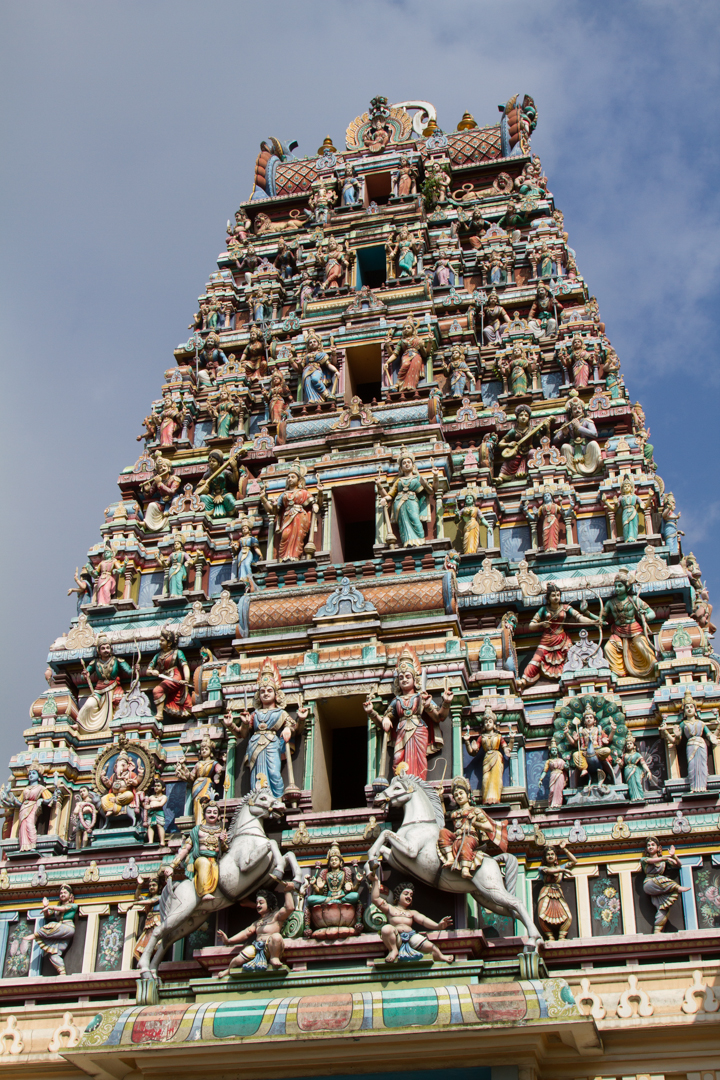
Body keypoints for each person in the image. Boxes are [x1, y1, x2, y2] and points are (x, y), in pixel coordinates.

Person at [363, 645, 451, 781]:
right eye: (401, 677)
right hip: (401, 732)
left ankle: (418, 786)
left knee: (419, 760)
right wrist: (372, 713)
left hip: (419, 731)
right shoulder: (395, 701)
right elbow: (384, 724)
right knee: (397, 761)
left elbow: (439, 717)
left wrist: (445, 703)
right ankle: (401, 786)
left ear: (415, 679)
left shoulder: (422, 697)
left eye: (408, 676)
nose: (404, 679)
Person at [223, 659, 307, 798]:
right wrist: (232, 724)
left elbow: (295, 728)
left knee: (274, 773)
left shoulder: (281, 713)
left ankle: (276, 799)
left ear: (276, 694)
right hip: (255, 745)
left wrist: (301, 720)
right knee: (256, 775)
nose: (266, 693)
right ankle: (257, 798)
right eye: (262, 691)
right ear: (258, 695)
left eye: (269, 690)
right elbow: (242, 734)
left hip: (272, 744)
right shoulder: (254, 714)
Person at [517, 582, 599, 691]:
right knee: (536, 658)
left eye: (558, 595)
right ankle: (524, 680)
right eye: (553, 595)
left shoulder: (565, 608)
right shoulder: (543, 610)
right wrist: (542, 624)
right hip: (547, 640)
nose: (556, 597)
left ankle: (579, 675)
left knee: (573, 656)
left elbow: (579, 617)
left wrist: (594, 622)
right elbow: (531, 625)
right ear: (548, 598)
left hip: (562, 639)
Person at [367, 871, 454, 963]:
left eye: (411, 895)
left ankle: (441, 956)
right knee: (386, 929)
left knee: (431, 947)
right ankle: (393, 950)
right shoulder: (390, 908)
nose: (409, 897)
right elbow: (375, 899)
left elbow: (424, 920)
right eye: (406, 894)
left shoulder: (412, 913)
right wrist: (376, 881)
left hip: (412, 937)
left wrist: (438, 926)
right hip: (396, 938)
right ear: (398, 895)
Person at [217, 885, 296, 975]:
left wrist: (287, 891)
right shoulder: (257, 922)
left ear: (269, 903)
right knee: (237, 960)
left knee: (276, 937)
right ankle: (228, 970)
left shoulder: (276, 916)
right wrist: (228, 940)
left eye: (261, 903)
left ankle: (274, 958)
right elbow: (246, 933)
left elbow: (289, 908)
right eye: (257, 903)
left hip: (270, 948)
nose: (258, 905)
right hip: (257, 948)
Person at [437, 775, 499, 878]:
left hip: (470, 837)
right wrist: (440, 798)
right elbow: (443, 814)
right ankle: (450, 857)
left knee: (465, 841)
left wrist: (474, 823)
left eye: (461, 793)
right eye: (456, 795)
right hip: (456, 838)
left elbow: (489, 827)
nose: (459, 796)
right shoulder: (454, 813)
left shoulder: (475, 810)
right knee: (443, 832)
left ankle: (465, 869)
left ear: (468, 795)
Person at [166, 801, 228, 904]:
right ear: (204, 815)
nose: (212, 814)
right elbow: (186, 848)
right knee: (204, 863)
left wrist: (222, 841)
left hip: (215, 861)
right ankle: (204, 892)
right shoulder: (197, 830)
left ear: (218, 816)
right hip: (200, 859)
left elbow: (225, 849)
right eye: (209, 812)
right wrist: (172, 865)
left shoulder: (221, 831)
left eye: (214, 812)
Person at [602, 572, 656, 680]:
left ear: (627, 587)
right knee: (608, 648)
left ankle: (652, 665)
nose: (617, 588)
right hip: (618, 631)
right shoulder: (610, 603)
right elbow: (600, 619)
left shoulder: (634, 600)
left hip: (634, 630)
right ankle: (616, 671)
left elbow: (652, 613)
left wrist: (644, 616)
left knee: (641, 645)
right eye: (616, 586)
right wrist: (586, 612)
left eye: (620, 586)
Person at [76, 635, 132, 733]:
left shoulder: (117, 660)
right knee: (89, 704)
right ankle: (80, 725)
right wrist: (85, 675)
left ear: (111, 649)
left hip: (114, 688)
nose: (106, 650)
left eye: (107, 648)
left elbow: (129, 672)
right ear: (98, 651)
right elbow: (83, 676)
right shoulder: (95, 663)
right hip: (99, 690)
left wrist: (135, 669)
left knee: (121, 702)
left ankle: (116, 724)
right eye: (103, 648)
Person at [24, 886, 78, 975]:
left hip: (67, 928)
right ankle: (62, 972)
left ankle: (36, 935)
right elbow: (47, 915)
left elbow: (64, 909)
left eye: (65, 893)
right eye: (61, 893)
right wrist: (46, 907)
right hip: (59, 932)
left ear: (70, 895)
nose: (62, 894)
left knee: (50, 925)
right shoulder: (57, 907)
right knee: (54, 954)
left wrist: (51, 907)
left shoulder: (73, 906)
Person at [641, 837, 689, 934]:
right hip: (649, 884)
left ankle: (657, 930)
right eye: (648, 845)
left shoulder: (663, 862)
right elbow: (651, 861)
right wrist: (665, 858)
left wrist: (673, 856)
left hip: (660, 888)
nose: (650, 847)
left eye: (652, 845)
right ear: (646, 849)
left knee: (663, 908)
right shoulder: (644, 859)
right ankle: (677, 887)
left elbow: (678, 865)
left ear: (659, 848)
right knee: (660, 879)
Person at [147, 626, 193, 721]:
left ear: (170, 643)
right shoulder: (158, 655)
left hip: (175, 676)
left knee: (157, 690)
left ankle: (159, 714)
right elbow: (147, 671)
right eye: (160, 640)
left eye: (162, 640)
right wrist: (152, 671)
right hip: (166, 677)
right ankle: (160, 713)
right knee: (158, 690)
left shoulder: (177, 653)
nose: (160, 642)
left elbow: (185, 666)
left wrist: (186, 679)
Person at [537, 843, 577, 940]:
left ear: (556, 857)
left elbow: (574, 861)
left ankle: (562, 935)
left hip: (558, 893)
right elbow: (549, 871)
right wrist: (564, 871)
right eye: (548, 854)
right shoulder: (542, 868)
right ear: (545, 857)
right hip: (546, 892)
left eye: (552, 854)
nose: (550, 856)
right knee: (541, 915)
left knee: (568, 916)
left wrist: (564, 849)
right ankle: (549, 936)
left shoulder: (561, 867)